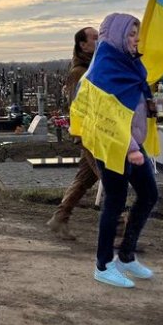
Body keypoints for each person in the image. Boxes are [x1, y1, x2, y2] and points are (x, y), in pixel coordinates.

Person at [69, 13, 160, 289]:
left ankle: (126, 255)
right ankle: (103, 264)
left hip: (130, 141)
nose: (135, 39)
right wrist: (132, 148)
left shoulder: (128, 63)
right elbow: (106, 114)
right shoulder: (105, 68)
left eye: (137, 33)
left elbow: (135, 101)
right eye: (131, 34)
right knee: (116, 200)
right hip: (112, 144)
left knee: (149, 193)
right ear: (118, 36)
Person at [47, 27, 99, 240]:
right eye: (95, 38)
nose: (99, 41)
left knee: (85, 178)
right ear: (82, 45)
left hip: (96, 132)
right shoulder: (79, 72)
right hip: (90, 134)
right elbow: (77, 106)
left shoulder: (96, 67)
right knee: (112, 180)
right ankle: (119, 231)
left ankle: (59, 218)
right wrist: (83, 134)